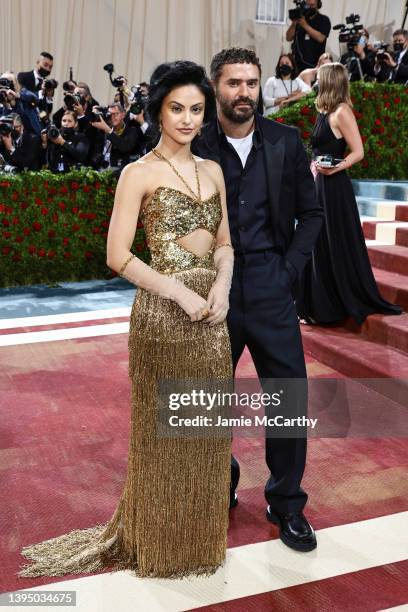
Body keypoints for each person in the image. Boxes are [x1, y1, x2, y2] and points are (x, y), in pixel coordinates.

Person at [18, 60, 234, 579]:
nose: (187, 119)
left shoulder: (215, 169)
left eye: (197, 110)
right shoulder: (138, 173)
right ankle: (159, 547)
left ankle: (199, 543)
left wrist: (222, 289)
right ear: (158, 111)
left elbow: (226, 244)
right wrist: (181, 293)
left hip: (214, 318)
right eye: (177, 109)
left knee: (206, 434)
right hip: (164, 316)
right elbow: (118, 256)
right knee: (162, 436)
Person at [193, 47, 323, 552]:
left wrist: (288, 271)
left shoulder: (287, 142)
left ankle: (287, 503)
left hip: (271, 284)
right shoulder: (197, 145)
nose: (243, 92)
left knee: (289, 397)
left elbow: (311, 215)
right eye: (233, 83)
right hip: (212, 291)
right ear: (215, 87)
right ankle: (216, 481)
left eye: (251, 82)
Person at [296, 63, 402, 325]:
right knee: (317, 241)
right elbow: (305, 76)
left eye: (322, 78)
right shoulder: (324, 110)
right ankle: (317, 302)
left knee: (334, 240)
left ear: (330, 81)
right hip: (319, 183)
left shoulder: (342, 112)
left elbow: (358, 152)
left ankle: (334, 303)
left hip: (334, 187)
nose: (316, 81)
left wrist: (337, 166)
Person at [286, 0, 331, 73]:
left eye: (312, 2)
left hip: (314, 66)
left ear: (318, 3)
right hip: (296, 66)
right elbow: (288, 37)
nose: (309, 2)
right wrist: (294, 23)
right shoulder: (301, 18)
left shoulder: (323, 19)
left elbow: (320, 38)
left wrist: (305, 25)